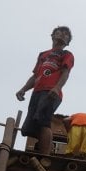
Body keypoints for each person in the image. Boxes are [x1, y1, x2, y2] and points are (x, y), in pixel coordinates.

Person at [16, 26, 74, 154]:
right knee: (27, 128)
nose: (63, 35)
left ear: (68, 42)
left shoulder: (67, 55)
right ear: (53, 36)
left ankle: (45, 155)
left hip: (51, 92)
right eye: (60, 32)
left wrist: (57, 87)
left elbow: (66, 72)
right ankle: (47, 145)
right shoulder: (43, 55)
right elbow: (35, 75)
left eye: (66, 35)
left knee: (43, 121)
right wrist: (23, 89)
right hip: (37, 91)